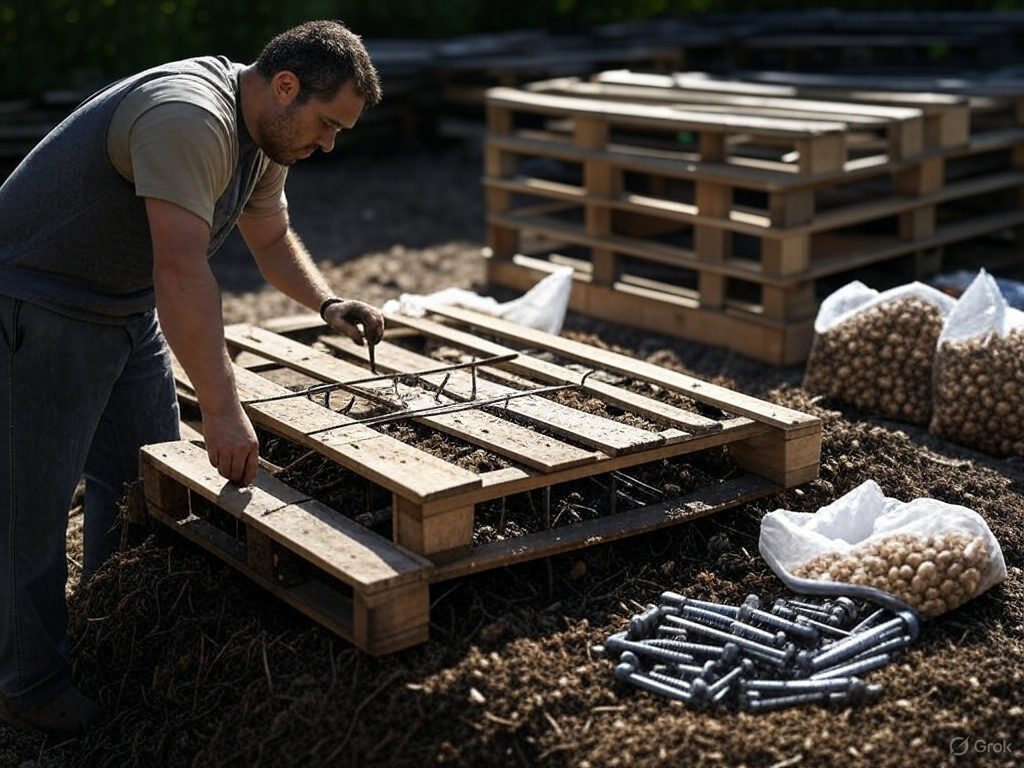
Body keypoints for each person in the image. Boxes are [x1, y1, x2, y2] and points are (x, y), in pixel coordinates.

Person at [0, 19, 385, 735]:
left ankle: (103, 635)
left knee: (144, 482)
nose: (329, 144)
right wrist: (223, 408)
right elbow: (182, 269)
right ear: (286, 85)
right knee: (33, 506)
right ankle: (31, 684)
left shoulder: (268, 133)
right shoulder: (191, 115)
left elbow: (269, 238)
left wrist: (328, 302)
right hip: (40, 302)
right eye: (327, 125)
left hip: (120, 301)